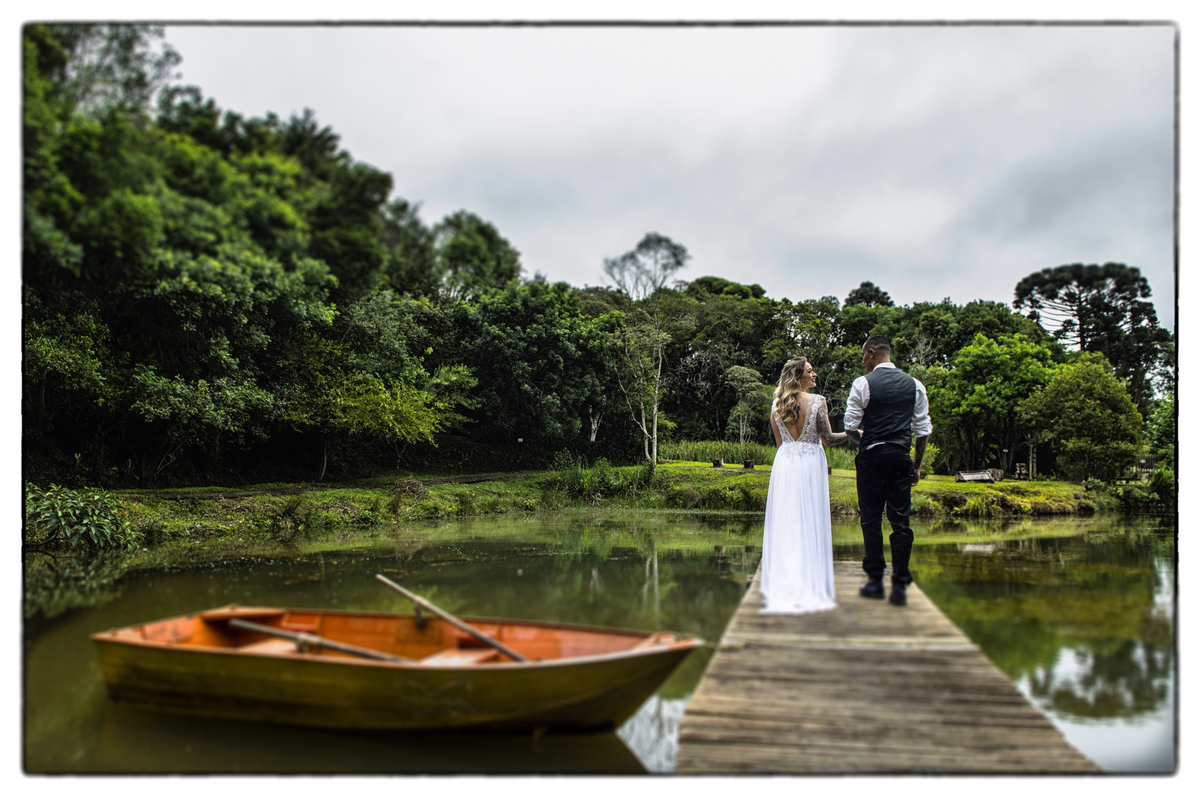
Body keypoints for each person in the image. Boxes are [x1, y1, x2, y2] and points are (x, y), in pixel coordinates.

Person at [842, 335, 933, 607]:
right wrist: (915, 467)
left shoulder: (862, 383)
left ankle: (874, 581)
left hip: (871, 458)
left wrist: (867, 444)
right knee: (900, 521)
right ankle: (901, 582)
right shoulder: (915, 386)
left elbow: (850, 426)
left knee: (870, 519)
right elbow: (923, 431)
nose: (862, 360)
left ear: (872, 353)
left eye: (862, 354)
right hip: (901, 457)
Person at [759, 357, 849, 614]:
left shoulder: (776, 406)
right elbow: (829, 439)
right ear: (798, 376)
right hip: (810, 461)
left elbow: (780, 444)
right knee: (809, 518)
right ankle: (808, 581)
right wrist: (855, 434)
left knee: (788, 519)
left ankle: (786, 581)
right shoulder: (818, 402)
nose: (815, 374)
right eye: (810, 371)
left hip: (785, 463)